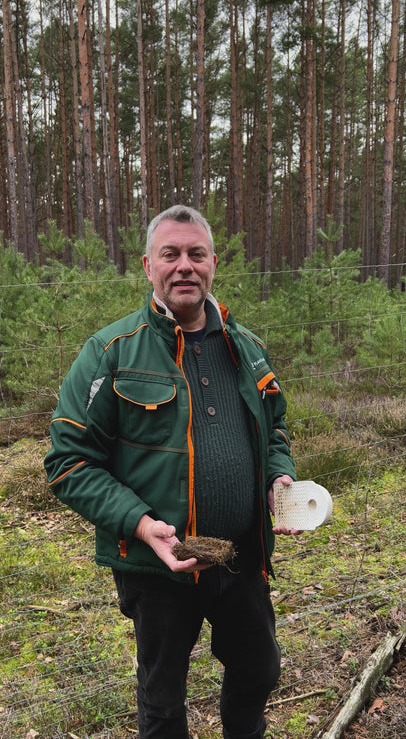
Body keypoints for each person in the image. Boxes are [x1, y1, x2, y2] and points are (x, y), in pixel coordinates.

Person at [44, 204, 297, 739]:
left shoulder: (247, 350)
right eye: (171, 254)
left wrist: (280, 478)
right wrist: (140, 524)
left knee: (258, 671)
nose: (184, 265)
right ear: (147, 266)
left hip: (241, 557)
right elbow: (67, 462)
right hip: (158, 566)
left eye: (196, 254)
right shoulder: (109, 353)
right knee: (162, 700)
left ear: (211, 264)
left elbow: (274, 432)